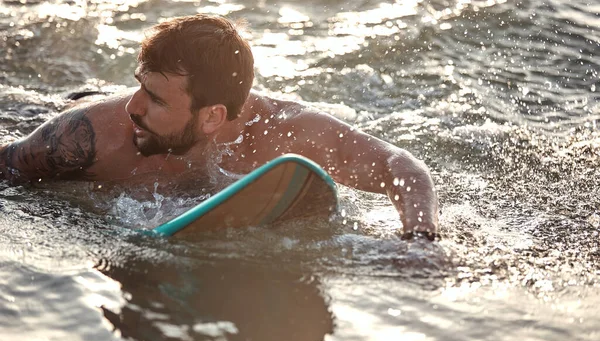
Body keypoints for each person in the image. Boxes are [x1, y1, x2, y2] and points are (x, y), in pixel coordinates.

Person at [0, 14, 439, 239]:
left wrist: (420, 241)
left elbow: (402, 168)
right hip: (67, 105)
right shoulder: (90, 135)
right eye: (140, 87)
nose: (133, 107)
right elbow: (7, 169)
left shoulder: (284, 133)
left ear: (212, 116)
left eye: (154, 99)